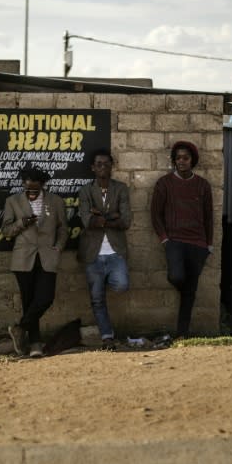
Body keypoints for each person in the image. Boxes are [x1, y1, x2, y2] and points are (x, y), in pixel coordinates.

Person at [2, 168, 68, 357]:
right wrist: (22, 223)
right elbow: (6, 230)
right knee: (29, 302)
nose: (31, 193)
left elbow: (63, 228)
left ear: (42, 186)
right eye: (28, 189)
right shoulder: (12, 201)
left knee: (45, 298)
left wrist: (59, 247)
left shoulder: (55, 201)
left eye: (35, 190)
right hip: (23, 258)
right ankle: (35, 345)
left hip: (48, 256)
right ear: (23, 184)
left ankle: (19, 328)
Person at [151, 141, 213, 338]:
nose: (181, 161)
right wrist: (164, 239)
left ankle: (182, 334)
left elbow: (208, 216)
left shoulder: (203, 185)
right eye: (177, 158)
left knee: (190, 293)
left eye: (185, 158)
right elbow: (155, 214)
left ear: (192, 160)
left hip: (198, 243)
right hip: (174, 241)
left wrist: (208, 244)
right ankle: (182, 328)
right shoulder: (164, 183)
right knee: (176, 277)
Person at [77, 149, 131, 350]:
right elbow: (87, 221)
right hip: (93, 254)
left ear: (112, 166)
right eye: (98, 164)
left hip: (115, 252)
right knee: (97, 299)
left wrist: (100, 216)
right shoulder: (85, 191)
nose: (102, 167)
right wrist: (111, 216)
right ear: (92, 167)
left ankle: (106, 278)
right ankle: (107, 337)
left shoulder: (121, 189)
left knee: (122, 285)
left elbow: (126, 221)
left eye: (106, 164)